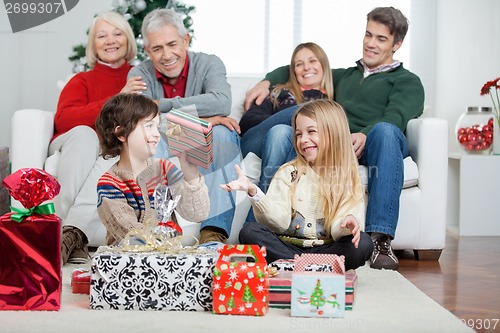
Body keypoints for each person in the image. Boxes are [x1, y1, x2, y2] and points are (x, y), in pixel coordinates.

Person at [243, 7, 425, 270]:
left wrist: (364, 132)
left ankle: (380, 239)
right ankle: (268, 235)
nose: (371, 44)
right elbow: (307, 67)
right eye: (368, 35)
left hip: (377, 142)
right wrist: (267, 80)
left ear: (397, 44)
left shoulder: (407, 81)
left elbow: (397, 115)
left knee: (385, 130)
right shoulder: (345, 76)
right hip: (335, 142)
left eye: (381, 39)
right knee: (301, 114)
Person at [127, 8, 241, 245]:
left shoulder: (209, 63)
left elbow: (222, 101)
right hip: (162, 139)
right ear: (147, 50)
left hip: (201, 139)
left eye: (172, 44)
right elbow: (142, 121)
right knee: (146, 139)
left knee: (222, 132)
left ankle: (213, 232)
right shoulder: (139, 74)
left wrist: (164, 105)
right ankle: (163, 226)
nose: (167, 55)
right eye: (157, 49)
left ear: (186, 39)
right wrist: (204, 118)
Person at [222, 100, 373, 270]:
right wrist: (254, 191)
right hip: (288, 246)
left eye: (311, 132)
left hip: (327, 249)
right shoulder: (288, 172)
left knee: (364, 244)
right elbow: (277, 222)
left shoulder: (347, 177)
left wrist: (348, 223)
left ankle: (294, 266)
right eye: (299, 134)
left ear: (333, 134)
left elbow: (344, 229)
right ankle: (315, 267)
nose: (303, 140)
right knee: (249, 231)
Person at [51, 11, 147, 264]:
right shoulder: (82, 80)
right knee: (86, 136)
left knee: (115, 149)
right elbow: (64, 120)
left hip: (111, 145)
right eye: (101, 36)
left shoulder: (140, 77)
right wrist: (117, 98)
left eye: (117, 34)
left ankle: (71, 237)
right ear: (93, 44)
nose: (110, 40)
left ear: (128, 40)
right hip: (74, 140)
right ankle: (61, 233)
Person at [95, 93, 209, 245]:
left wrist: (192, 176)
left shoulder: (165, 169)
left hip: (166, 257)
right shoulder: (109, 184)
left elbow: (197, 214)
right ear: (121, 133)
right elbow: (130, 235)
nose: (157, 134)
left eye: (157, 126)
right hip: (129, 260)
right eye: (149, 126)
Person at [240, 42, 334, 194]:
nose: (306, 68)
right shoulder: (279, 92)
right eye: (299, 64)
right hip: (256, 142)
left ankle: (259, 213)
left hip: (295, 146)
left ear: (324, 64)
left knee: (282, 133)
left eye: (312, 61)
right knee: (286, 125)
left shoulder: (333, 99)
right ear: (293, 71)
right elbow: (247, 122)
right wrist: (287, 119)